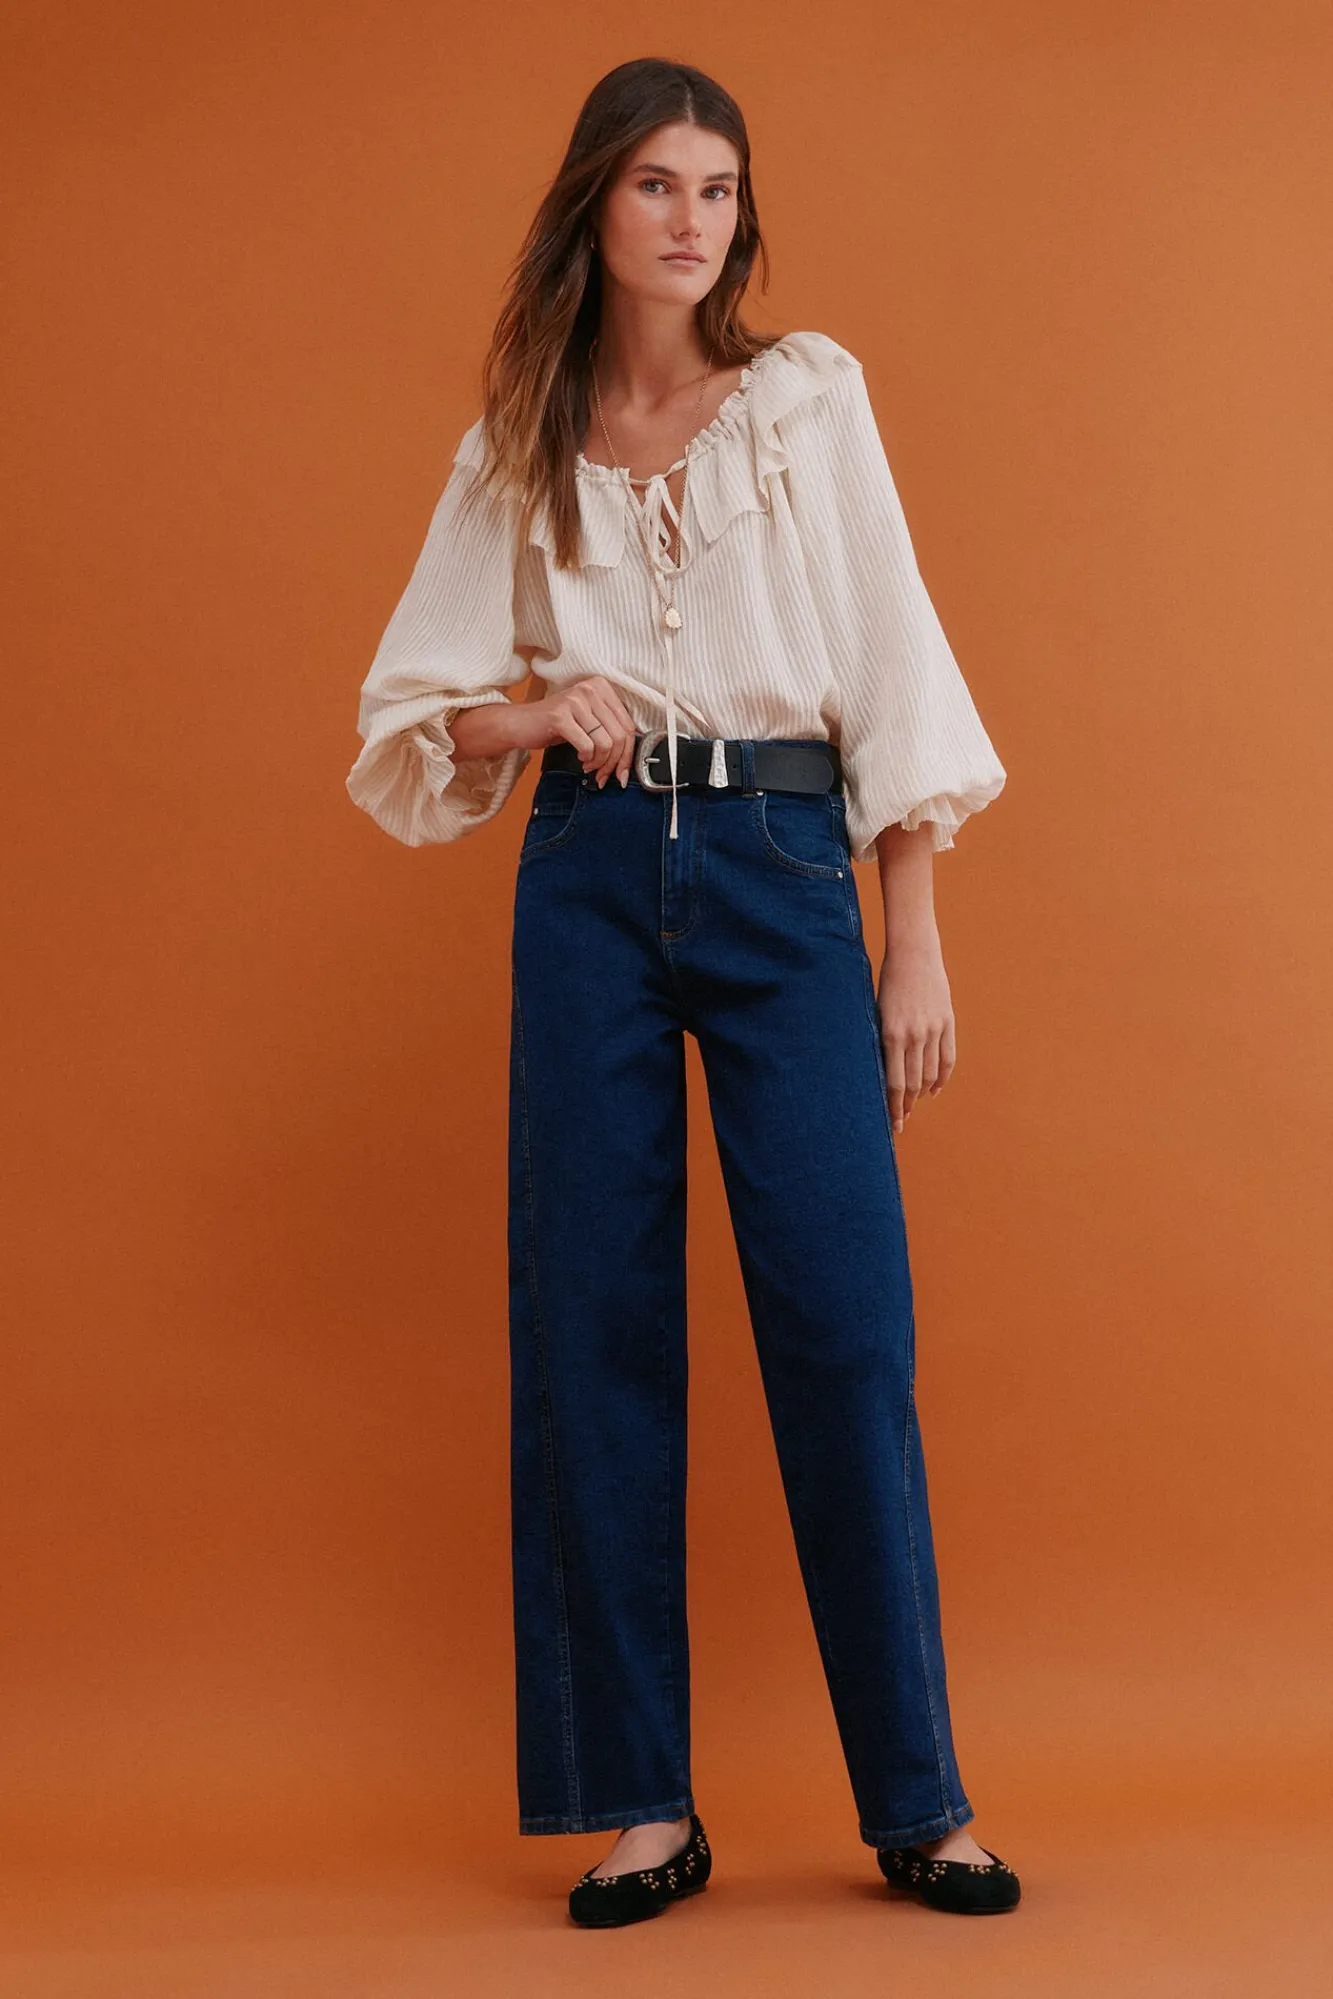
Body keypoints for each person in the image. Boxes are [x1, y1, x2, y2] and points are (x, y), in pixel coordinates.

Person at [346, 57, 1020, 1925]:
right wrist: (532, 708)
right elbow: (417, 715)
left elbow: (892, 659)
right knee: (596, 1324)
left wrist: (911, 933)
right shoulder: (520, 443)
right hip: (584, 879)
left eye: (718, 189)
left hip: (784, 869)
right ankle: (645, 1802)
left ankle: (921, 1799)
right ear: (597, 200)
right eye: (658, 183)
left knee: (844, 1324)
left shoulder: (805, 401)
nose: (692, 220)